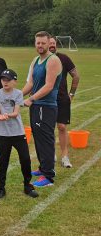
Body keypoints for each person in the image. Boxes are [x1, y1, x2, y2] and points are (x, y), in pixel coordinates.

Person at [22, 31, 62, 187]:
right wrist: (18, 95)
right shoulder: (35, 60)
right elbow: (30, 84)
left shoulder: (53, 60)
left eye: (43, 43)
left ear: (49, 43)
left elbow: (49, 86)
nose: (40, 45)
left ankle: (48, 175)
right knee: (38, 138)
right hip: (36, 105)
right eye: (37, 42)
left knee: (45, 139)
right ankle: (42, 167)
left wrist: (31, 99)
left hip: (46, 106)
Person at [0, 69, 39, 199]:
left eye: (8, 80)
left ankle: (27, 186)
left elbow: (16, 112)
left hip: (18, 133)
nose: (5, 82)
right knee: (3, 161)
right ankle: (1, 187)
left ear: (15, 82)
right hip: (2, 134)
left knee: (25, 158)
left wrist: (6, 115)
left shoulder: (18, 94)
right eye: (3, 80)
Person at [49, 36, 80, 168]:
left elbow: (76, 76)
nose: (51, 45)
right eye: (49, 43)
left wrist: (71, 93)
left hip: (62, 99)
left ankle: (65, 156)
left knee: (61, 127)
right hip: (47, 99)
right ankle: (51, 154)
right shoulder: (42, 60)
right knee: (48, 128)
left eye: (53, 43)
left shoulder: (64, 58)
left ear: (56, 45)